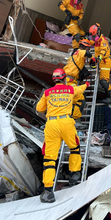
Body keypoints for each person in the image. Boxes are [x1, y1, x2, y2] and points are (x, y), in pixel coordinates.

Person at [35, 68, 89, 203]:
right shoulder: (70, 89)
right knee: (74, 148)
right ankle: (74, 175)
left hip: (52, 124)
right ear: (64, 78)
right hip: (66, 122)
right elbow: (80, 89)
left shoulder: (47, 92)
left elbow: (39, 109)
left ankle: (48, 191)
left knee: (49, 158)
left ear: (54, 80)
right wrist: (87, 84)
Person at [88, 23, 111, 105]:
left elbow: (103, 50)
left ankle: (110, 98)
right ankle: (108, 97)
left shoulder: (103, 41)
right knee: (102, 81)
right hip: (101, 63)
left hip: (105, 62)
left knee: (104, 81)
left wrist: (99, 58)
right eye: (93, 36)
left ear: (99, 32)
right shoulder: (96, 41)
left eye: (95, 35)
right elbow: (91, 42)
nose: (94, 37)